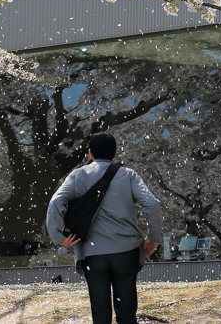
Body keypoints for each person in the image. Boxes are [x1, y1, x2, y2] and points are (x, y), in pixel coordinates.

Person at [46, 132, 162, 324]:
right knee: (126, 313)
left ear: (90, 153)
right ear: (115, 153)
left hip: (93, 252)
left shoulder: (78, 176)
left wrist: (58, 236)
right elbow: (152, 204)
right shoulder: (128, 175)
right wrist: (153, 237)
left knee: (100, 315)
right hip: (126, 251)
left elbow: (56, 202)